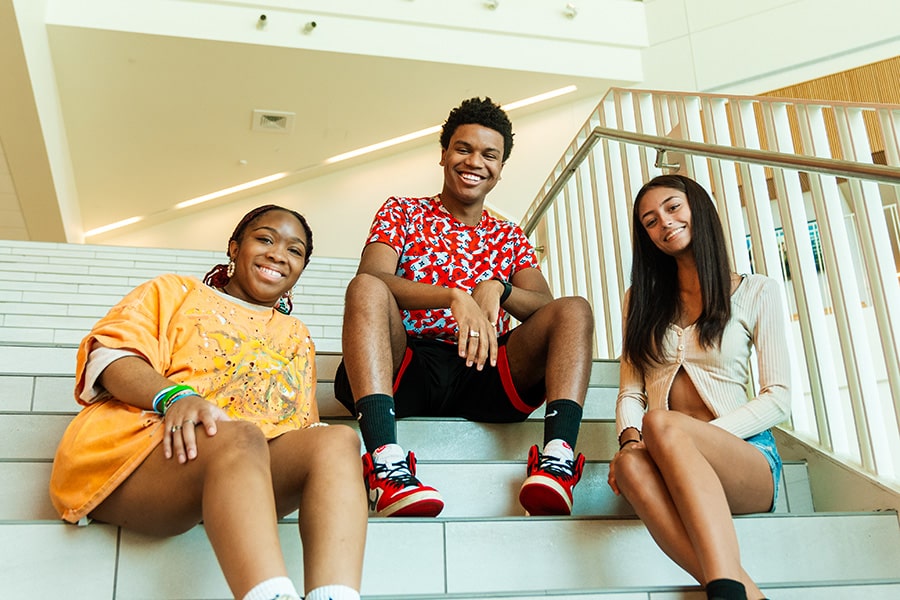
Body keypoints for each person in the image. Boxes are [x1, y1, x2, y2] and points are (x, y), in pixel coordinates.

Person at [49, 205, 367, 600]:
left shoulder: (296, 335)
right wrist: (175, 396)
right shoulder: (173, 292)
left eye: (295, 251)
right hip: (146, 455)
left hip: (244, 474)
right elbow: (110, 358)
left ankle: (335, 596)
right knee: (240, 436)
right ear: (234, 249)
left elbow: (300, 430)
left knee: (337, 441)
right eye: (264, 239)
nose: (278, 255)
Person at [334, 97, 595, 518]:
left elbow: (548, 309)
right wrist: (453, 295)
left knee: (575, 309)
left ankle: (557, 461)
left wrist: (499, 288)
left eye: (489, 154)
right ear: (443, 154)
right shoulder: (402, 211)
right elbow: (375, 278)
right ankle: (385, 465)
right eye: (463, 148)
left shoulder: (509, 235)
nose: (475, 161)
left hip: (485, 372)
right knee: (364, 287)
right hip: (406, 367)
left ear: (501, 167)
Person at [608, 175, 792, 600]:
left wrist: (692, 437)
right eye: (650, 221)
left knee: (663, 425)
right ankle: (738, 591)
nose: (664, 224)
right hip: (662, 453)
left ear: (698, 210)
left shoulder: (757, 290)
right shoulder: (639, 299)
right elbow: (631, 391)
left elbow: (778, 396)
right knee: (632, 464)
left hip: (746, 461)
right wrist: (632, 441)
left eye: (673, 208)